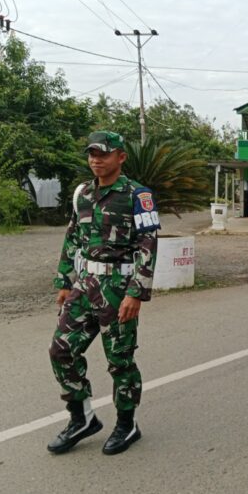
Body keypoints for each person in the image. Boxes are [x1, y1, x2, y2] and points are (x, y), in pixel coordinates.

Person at [48, 131, 159, 456]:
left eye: (103, 153)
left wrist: (137, 293)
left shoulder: (138, 195)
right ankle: (81, 417)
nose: (96, 159)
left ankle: (127, 424)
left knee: (120, 361)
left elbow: (148, 244)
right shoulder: (82, 193)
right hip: (84, 285)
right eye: (91, 154)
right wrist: (65, 281)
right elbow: (72, 237)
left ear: (121, 157)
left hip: (119, 288)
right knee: (61, 350)